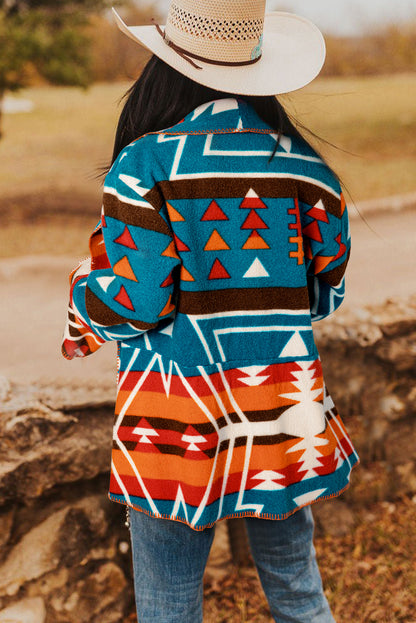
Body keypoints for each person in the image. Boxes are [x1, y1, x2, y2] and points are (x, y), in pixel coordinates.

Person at [62, 1, 360, 621]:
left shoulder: (146, 164)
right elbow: (323, 294)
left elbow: (134, 301)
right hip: (284, 416)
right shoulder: (311, 173)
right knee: (298, 588)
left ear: (164, 70)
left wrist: (82, 297)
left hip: (174, 425)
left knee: (170, 600)